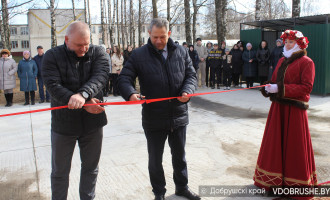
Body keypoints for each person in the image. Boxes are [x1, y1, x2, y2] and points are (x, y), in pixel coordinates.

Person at [117, 18, 199, 200]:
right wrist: (130, 93)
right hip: (153, 117)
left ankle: (182, 187)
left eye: (162, 37)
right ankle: (159, 193)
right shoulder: (139, 55)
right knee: (155, 160)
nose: (159, 41)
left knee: (180, 157)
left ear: (169, 34)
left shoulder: (181, 52)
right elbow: (124, 78)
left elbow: (191, 75)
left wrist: (188, 90)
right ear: (149, 34)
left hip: (178, 115)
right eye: (155, 37)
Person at [42, 21, 109, 200]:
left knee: (90, 168)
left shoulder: (98, 52)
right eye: (79, 45)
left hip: (93, 123)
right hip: (63, 124)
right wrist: (77, 99)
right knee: (59, 171)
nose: (84, 48)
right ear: (66, 39)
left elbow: (101, 76)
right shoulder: (52, 56)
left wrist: (84, 95)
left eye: (87, 43)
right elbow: (52, 85)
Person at [254, 30, 317, 196]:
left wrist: (280, 89)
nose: (287, 45)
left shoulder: (307, 62)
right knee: (275, 145)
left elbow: (306, 88)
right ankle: (272, 183)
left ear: (299, 44)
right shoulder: (282, 59)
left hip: (295, 111)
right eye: (286, 42)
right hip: (278, 109)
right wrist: (269, 86)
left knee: (294, 147)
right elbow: (275, 79)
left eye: (291, 42)